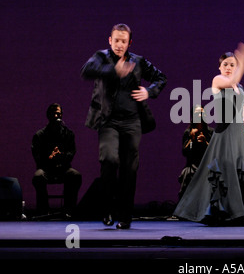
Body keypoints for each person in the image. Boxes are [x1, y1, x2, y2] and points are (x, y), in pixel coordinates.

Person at [81, 23, 167, 229]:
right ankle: (107, 209)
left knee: (130, 169)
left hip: (132, 122)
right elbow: (86, 70)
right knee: (109, 160)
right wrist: (114, 70)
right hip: (108, 121)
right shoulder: (101, 57)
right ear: (110, 41)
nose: (119, 45)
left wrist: (150, 91)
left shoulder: (137, 61)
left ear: (129, 43)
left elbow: (161, 78)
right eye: (116, 40)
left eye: (124, 41)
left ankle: (125, 216)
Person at [174, 43, 244, 226]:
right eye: (226, 65)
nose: (229, 68)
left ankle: (240, 211)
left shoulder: (240, 87)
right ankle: (223, 211)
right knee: (225, 170)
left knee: (238, 169)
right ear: (220, 67)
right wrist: (243, 62)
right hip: (225, 131)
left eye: (232, 65)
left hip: (238, 134)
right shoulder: (218, 80)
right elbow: (230, 82)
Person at [31, 103, 82, 219]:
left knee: (75, 175)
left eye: (58, 114)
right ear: (48, 116)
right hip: (46, 170)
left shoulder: (69, 134)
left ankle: (69, 210)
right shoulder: (39, 135)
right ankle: (44, 211)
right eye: (54, 114)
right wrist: (51, 158)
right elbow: (38, 158)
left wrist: (60, 158)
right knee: (38, 176)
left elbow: (71, 153)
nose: (56, 116)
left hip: (63, 169)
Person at [178, 105, 214, 200]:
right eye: (197, 113)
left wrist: (205, 141)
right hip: (192, 164)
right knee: (188, 174)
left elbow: (214, 151)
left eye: (202, 113)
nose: (200, 115)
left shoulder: (210, 132)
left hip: (208, 164)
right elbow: (185, 152)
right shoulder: (188, 132)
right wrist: (192, 139)